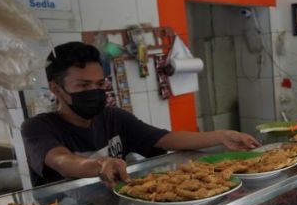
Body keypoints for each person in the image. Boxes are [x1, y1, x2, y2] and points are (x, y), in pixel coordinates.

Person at [22, 42, 260, 188]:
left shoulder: (114, 117)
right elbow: (62, 161)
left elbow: (166, 139)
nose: (93, 91)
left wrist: (222, 136)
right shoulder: (38, 127)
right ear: (56, 88)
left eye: (98, 83)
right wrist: (100, 164)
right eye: (83, 86)